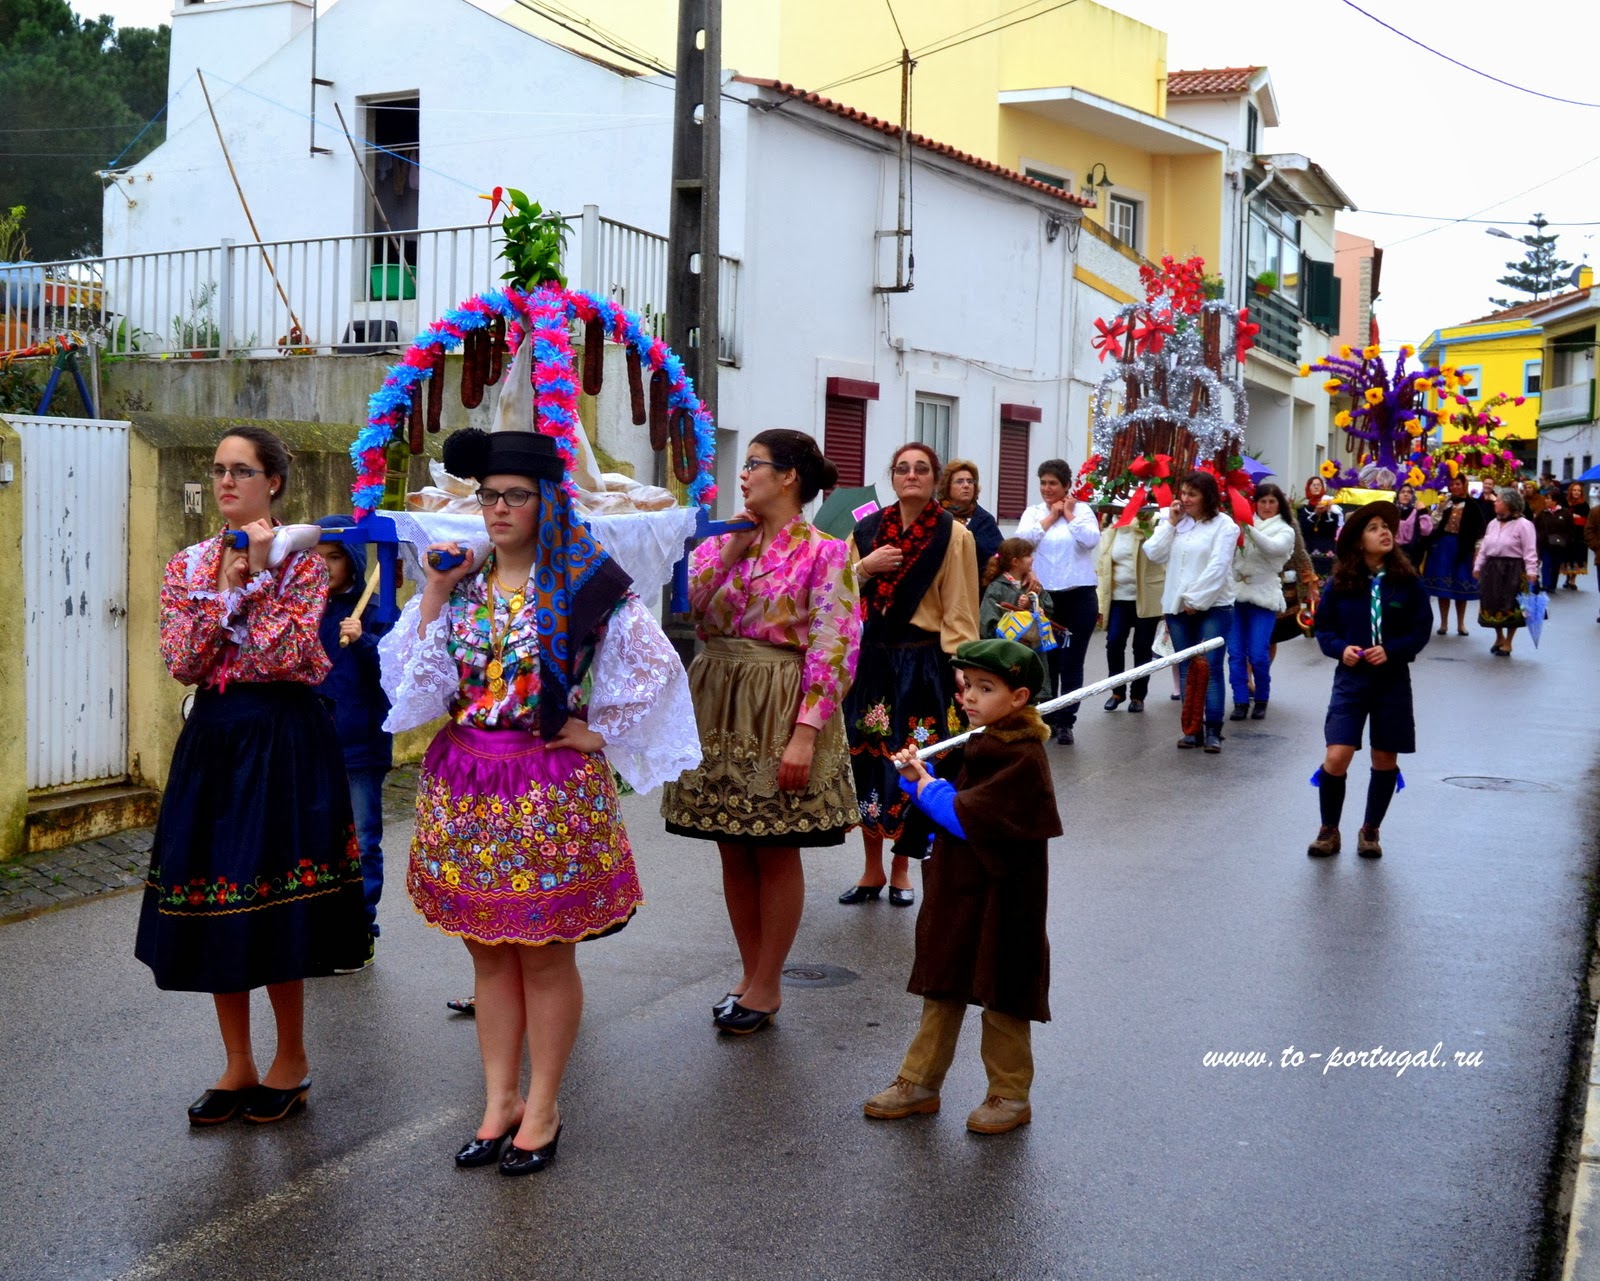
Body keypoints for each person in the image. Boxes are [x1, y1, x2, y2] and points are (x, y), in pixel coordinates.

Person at [379, 427, 698, 1176]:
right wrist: (432, 587)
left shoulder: (586, 586)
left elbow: (658, 665)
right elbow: (414, 684)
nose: (496, 508)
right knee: (489, 954)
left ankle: (545, 1103)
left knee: (545, 955)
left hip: (546, 784)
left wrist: (600, 731)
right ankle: (499, 1101)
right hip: (465, 782)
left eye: (513, 495)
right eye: (488, 495)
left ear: (547, 500)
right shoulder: (463, 581)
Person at [135, 426, 367, 1126]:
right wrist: (230, 591)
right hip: (213, 735)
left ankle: (289, 1058)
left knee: (276, 895)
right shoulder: (189, 564)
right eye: (218, 470)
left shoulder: (304, 560)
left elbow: (287, 651)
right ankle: (237, 1061)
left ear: (275, 483)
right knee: (213, 892)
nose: (226, 481)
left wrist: (258, 579)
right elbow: (183, 657)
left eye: (242, 470)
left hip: (281, 736)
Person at [662, 430, 861, 1034]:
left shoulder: (826, 551)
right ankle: (751, 972)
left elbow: (836, 646)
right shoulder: (724, 540)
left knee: (774, 847)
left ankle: (768, 984)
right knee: (731, 841)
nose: (743, 475)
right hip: (717, 697)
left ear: (790, 477)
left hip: (779, 702)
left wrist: (805, 733)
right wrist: (728, 551)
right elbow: (685, 607)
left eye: (754, 464)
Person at [862, 639, 1062, 1136]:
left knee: (1002, 992)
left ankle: (1010, 1093)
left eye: (985, 688)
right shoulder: (979, 740)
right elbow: (942, 804)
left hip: (1005, 894)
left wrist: (928, 787)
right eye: (967, 686)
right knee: (943, 981)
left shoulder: (1021, 756)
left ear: (1018, 698)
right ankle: (919, 1082)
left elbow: (964, 815)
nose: (969, 697)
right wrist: (916, 778)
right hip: (959, 886)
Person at [841, 442, 978, 907]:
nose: (911, 475)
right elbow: (833, 590)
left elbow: (960, 608)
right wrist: (865, 567)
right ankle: (871, 867)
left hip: (923, 664)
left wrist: (962, 668)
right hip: (873, 662)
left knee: (913, 761)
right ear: (893, 477)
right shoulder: (866, 530)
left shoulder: (953, 534)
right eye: (902, 468)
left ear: (934, 478)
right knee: (868, 760)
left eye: (921, 469)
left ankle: (903, 868)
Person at [1306, 502, 1433, 859]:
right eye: (1374, 527)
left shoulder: (1407, 583)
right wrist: (1340, 649)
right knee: (1338, 755)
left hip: (1391, 681)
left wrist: (1391, 650)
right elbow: (1324, 628)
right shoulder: (1341, 583)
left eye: (1386, 527)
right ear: (1360, 541)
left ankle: (1370, 831)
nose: (1384, 532)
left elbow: (1420, 630)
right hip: (1351, 680)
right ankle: (1329, 829)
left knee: (1384, 758)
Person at [312, 515, 393, 971]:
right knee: (316, 838)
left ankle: (360, 927)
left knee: (362, 838)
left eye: (335, 557)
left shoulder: (375, 612)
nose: (324, 566)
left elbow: (395, 673)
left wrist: (363, 643)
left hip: (361, 745)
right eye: (317, 557)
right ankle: (320, 924)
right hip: (313, 745)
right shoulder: (303, 614)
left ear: (355, 562)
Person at [1142, 471, 1238, 753]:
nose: (1184, 499)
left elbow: (1218, 567)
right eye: (1182, 493)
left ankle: (1214, 731)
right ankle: (1191, 728)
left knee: (1209, 667)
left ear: (1206, 497)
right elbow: (1153, 553)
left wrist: (1195, 600)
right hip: (1176, 607)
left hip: (1214, 606)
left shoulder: (1225, 526)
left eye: (1191, 494)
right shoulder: (1175, 522)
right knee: (1186, 668)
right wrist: (1169, 524)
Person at [1016, 459, 1101, 745]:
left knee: (1071, 662)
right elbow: (1022, 542)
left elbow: (1091, 540)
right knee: (1047, 662)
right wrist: (1051, 518)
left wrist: (1068, 514)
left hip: (1079, 596)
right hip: (1046, 600)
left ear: (1066, 486)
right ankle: (1048, 716)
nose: (1047, 488)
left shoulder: (1083, 512)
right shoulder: (1034, 513)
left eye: (1053, 483)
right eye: (1043, 482)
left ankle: (1067, 721)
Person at [1227, 482, 1295, 721]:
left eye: (1272, 502)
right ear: (1255, 502)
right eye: (1262, 501)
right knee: (1235, 653)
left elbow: (1272, 548)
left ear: (1279, 505)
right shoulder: (1241, 524)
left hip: (1264, 597)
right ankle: (1240, 700)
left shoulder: (1285, 530)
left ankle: (1262, 698)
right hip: (1237, 596)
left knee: (1257, 653)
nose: (1266, 506)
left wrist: (1245, 525)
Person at [1093, 504, 1165, 713]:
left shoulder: (1149, 524)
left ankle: (1138, 696)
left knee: (1142, 647)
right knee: (1114, 642)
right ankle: (1117, 691)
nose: (1121, 511)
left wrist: (1142, 521)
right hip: (1118, 598)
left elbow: (1158, 550)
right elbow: (1103, 569)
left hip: (1145, 595)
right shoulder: (1110, 530)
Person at [1474, 487, 1540, 658]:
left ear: (1510, 504)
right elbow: (1484, 547)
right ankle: (1499, 637)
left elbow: (1530, 550)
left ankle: (1509, 641)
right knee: (1492, 602)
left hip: (1514, 568)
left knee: (1511, 604)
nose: (1496, 502)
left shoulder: (1524, 525)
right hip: (1492, 568)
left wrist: (1532, 572)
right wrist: (1477, 566)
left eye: (1500, 500)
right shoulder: (1492, 523)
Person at [1420, 474, 1485, 636]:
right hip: (1443, 547)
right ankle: (1443, 623)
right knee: (1444, 587)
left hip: (1463, 548)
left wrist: (1477, 551)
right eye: (1452, 484)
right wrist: (1440, 509)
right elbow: (1433, 525)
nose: (1454, 487)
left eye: (1458, 484)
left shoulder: (1473, 506)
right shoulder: (1445, 504)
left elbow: (1480, 532)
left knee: (1460, 584)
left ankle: (1461, 624)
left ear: (1464, 485)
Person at [938, 458, 1003, 583]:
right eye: (959, 481)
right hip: (943, 585)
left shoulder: (985, 520)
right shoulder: (937, 516)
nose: (966, 485)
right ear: (948, 487)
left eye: (970, 481)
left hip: (977, 588)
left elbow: (1001, 554)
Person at [980, 538, 1053, 643]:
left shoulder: (1033, 584)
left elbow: (1049, 608)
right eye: (1028, 556)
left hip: (1033, 651)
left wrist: (1033, 604)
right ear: (1015, 562)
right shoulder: (997, 588)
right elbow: (987, 622)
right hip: (1006, 650)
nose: (1032, 559)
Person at [1297, 476, 1342, 583]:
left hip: (1327, 554)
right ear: (1309, 488)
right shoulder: (1303, 510)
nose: (1316, 487)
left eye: (1319, 485)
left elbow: (1332, 531)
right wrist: (1315, 514)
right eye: (1314, 485)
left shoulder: (1332, 509)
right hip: (1310, 552)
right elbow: (1303, 530)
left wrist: (1329, 512)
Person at [1533, 485, 1577, 593]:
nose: (1546, 500)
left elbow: (1570, 528)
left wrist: (1567, 540)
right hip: (1545, 543)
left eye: (1548, 498)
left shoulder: (1565, 513)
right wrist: (1539, 538)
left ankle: (1552, 584)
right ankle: (1546, 584)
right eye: (1546, 498)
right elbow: (1535, 526)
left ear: (1555, 501)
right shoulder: (1542, 513)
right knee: (1546, 563)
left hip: (1560, 544)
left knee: (1556, 564)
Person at [1563, 481, 1590, 589]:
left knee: (1577, 557)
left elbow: (1586, 520)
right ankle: (1567, 577)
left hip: (1579, 535)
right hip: (1567, 534)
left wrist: (1578, 518)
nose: (1576, 492)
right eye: (1574, 490)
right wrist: (1571, 517)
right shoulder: (1565, 503)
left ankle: (1573, 579)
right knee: (1567, 556)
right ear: (1570, 491)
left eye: (1578, 490)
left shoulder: (1584, 505)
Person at [1394, 484, 1432, 559]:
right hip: (1393, 552)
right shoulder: (1391, 511)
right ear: (1398, 495)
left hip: (1412, 554)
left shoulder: (1417, 512)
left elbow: (1426, 531)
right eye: (1402, 492)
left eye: (1409, 492)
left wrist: (1423, 511)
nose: (1405, 494)